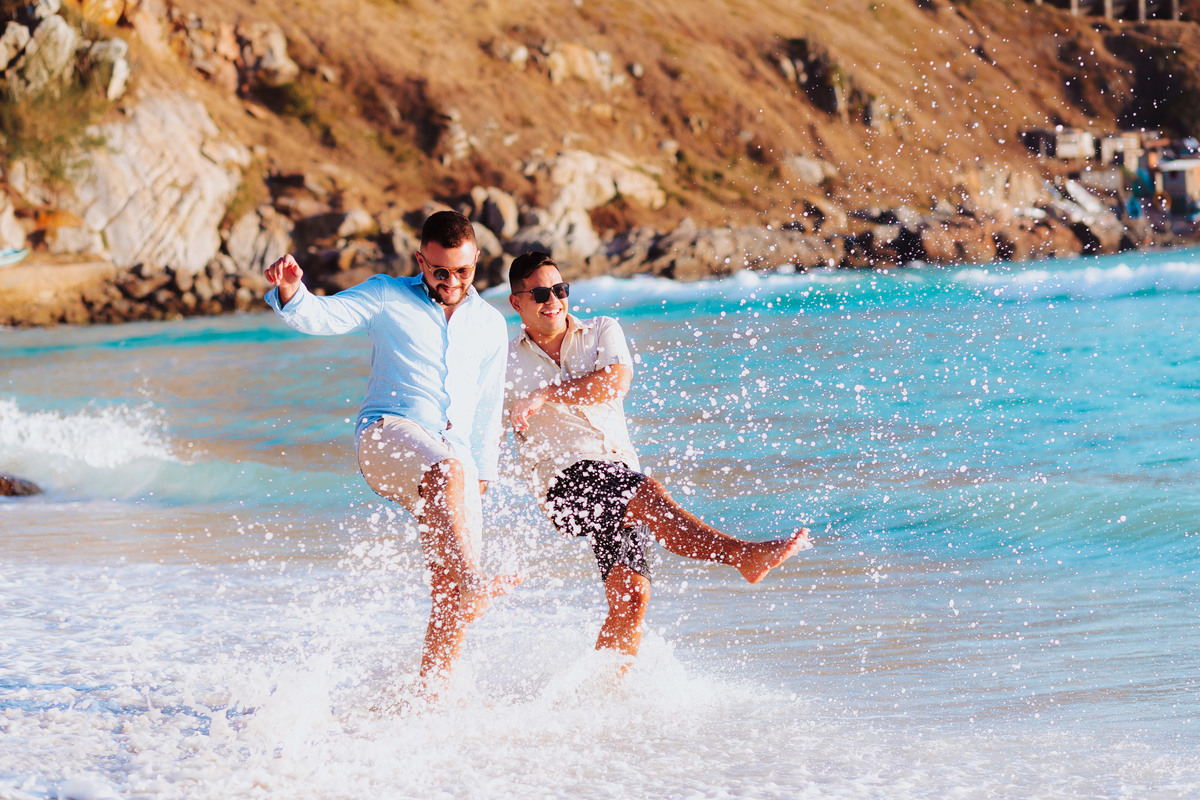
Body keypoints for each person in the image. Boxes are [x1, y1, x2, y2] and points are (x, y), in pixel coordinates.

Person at [504, 251, 812, 661]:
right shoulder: (505, 362)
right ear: (516, 302)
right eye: (540, 293)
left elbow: (613, 383)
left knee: (632, 598)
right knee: (646, 492)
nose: (554, 301)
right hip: (562, 485)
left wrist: (546, 395)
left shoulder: (600, 330)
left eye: (559, 290)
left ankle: (600, 700)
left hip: (616, 472)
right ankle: (743, 555)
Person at [264, 210, 518, 691]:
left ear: (477, 261)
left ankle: (429, 698)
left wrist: (482, 475)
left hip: (455, 457)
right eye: (439, 270)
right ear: (420, 260)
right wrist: (291, 291)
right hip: (387, 433)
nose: (450, 281)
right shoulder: (386, 294)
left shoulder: (489, 324)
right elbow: (324, 315)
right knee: (449, 483)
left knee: (451, 592)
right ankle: (472, 577)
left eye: (462, 271)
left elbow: (489, 406)